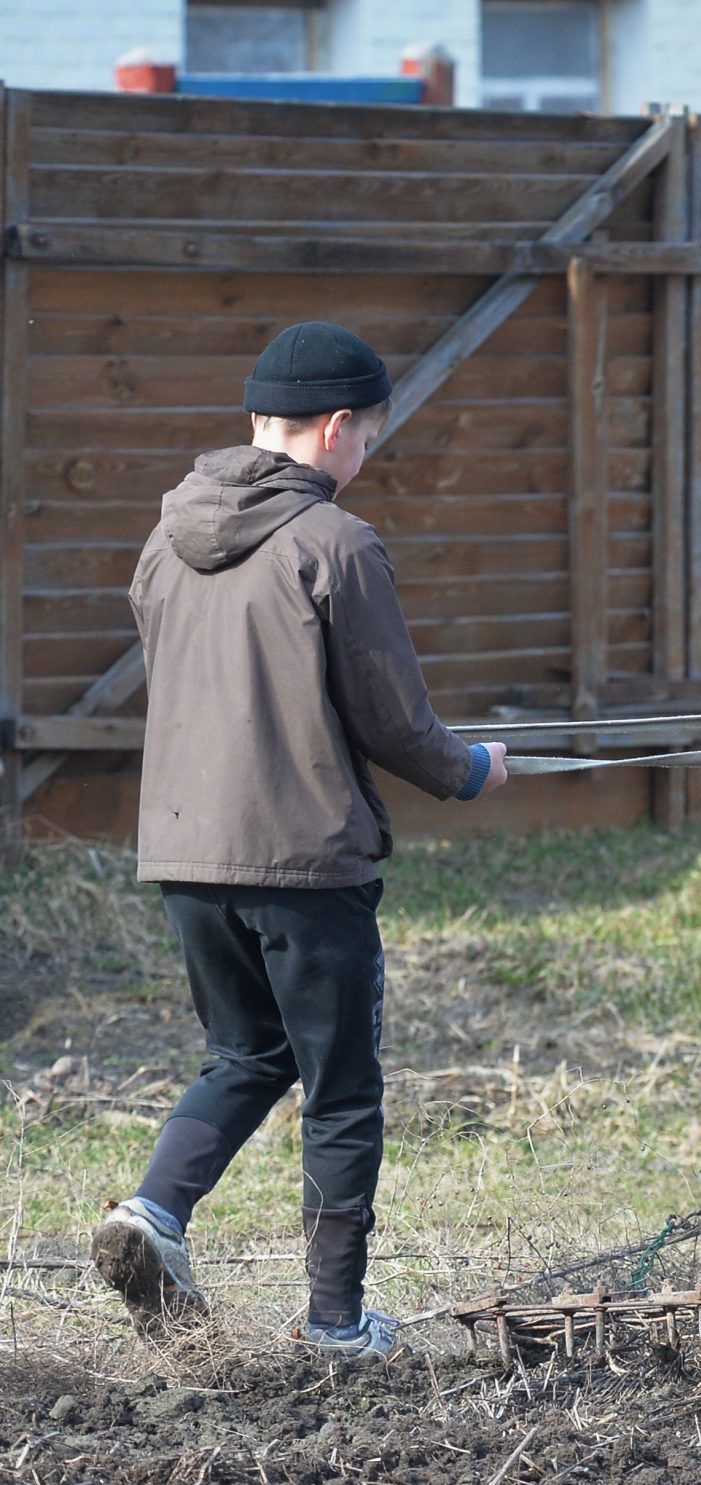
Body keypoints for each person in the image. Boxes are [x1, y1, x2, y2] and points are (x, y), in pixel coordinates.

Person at [91, 322, 510, 1360]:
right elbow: (393, 723)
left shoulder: (163, 543)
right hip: (305, 859)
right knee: (341, 1087)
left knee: (245, 1051)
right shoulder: (337, 544)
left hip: (185, 856)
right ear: (334, 427)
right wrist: (470, 770)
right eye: (368, 434)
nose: (367, 454)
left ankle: (151, 1213)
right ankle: (335, 1325)